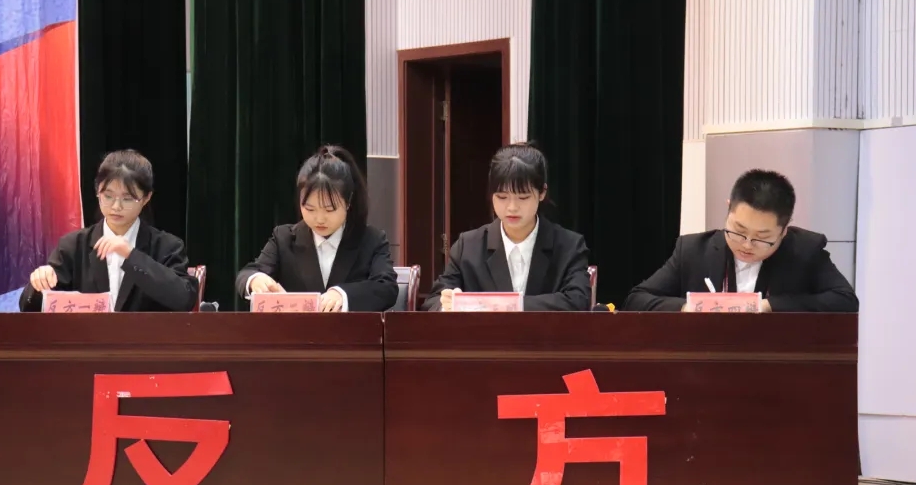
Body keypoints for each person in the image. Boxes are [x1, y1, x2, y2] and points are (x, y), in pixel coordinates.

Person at [623, 169, 858, 312]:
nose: (746, 244)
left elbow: (845, 301)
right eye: (738, 231)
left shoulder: (805, 250)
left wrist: (767, 306)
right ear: (729, 209)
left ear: (784, 230)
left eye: (762, 238)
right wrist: (688, 308)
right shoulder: (693, 251)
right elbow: (636, 299)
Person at [19, 150, 199, 312]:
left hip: (143, 339)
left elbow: (184, 300)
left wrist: (131, 255)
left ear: (146, 198)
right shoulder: (74, 246)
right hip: (87, 338)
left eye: (127, 199)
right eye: (108, 196)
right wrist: (38, 285)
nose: (116, 206)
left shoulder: (167, 247)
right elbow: (29, 307)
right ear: (97, 191)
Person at [423, 143, 591, 312]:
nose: (512, 207)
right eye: (502, 197)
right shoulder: (468, 246)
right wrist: (447, 304)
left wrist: (507, 305)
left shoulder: (569, 246)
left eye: (523, 198)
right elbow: (433, 302)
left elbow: (578, 300)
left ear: (542, 192)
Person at [235, 145, 398, 312]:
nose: (320, 219)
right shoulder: (284, 238)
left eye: (329, 209)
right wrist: (255, 280)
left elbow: (387, 287)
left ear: (348, 202)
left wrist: (343, 295)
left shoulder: (371, 240)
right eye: (310, 209)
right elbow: (248, 273)